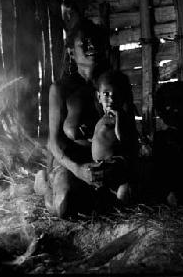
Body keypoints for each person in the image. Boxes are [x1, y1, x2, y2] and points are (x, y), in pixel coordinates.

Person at [34, 18, 135, 218]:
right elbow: (53, 143)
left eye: (96, 41)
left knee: (127, 199)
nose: (92, 46)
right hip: (73, 166)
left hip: (107, 167)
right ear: (71, 52)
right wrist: (78, 170)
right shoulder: (61, 89)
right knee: (66, 206)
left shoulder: (117, 86)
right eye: (85, 42)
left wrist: (119, 165)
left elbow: (131, 137)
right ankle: (46, 187)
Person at [90, 70, 138, 202]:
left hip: (115, 168)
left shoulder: (121, 117)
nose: (111, 98)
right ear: (99, 96)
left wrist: (119, 118)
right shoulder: (103, 118)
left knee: (123, 194)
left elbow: (122, 137)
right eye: (106, 94)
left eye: (116, 95)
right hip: (100, 168)